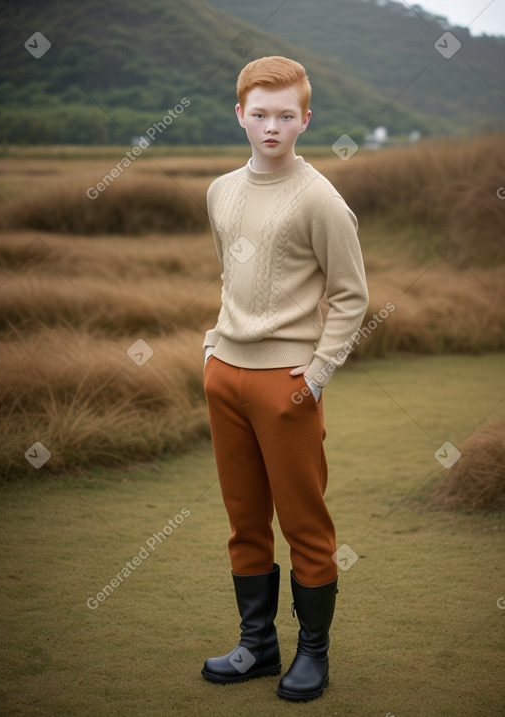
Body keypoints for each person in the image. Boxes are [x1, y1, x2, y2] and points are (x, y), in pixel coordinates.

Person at [201, 55, 369, 702]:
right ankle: (258, 644)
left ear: (306, 118)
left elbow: (352, 297)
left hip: (288, 387)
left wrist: (320, 370)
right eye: (260, 113)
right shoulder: (219, 190)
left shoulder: (321, 198)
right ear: (240, 114)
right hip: (226, 379)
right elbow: (230, 277)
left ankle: (314, 653)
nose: (272, 126)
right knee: (244, 520)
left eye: (286, 115)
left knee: (304, 522)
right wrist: (216, 344)